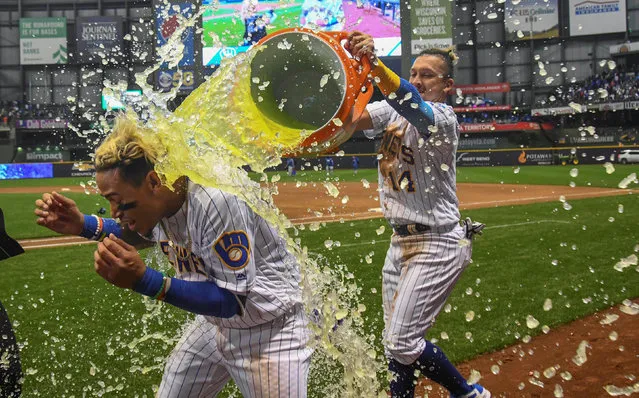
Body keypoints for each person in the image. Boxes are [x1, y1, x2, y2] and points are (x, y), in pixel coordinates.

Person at [34, 115, 312, 397]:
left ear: (153, 182)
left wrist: (147, 281)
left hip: (270, 330)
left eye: (118, 200)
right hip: (214, 323)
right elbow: (139, 231)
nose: (115, 211)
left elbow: (231, 301)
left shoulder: (214, 201)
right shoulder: (164, 197)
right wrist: (82, 225)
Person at [345, 31, 490, 398]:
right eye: (413, 72)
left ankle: (468, 394)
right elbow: (352, 118)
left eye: (428, 74)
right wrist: (350, 68)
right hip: (400, 242)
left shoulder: (442, 117)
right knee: (395, 343)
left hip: (437, 242)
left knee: (401, 341)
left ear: (447, 85)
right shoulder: (392, 110)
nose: (418, 79)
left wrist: (376, 65)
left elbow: (412, 104)